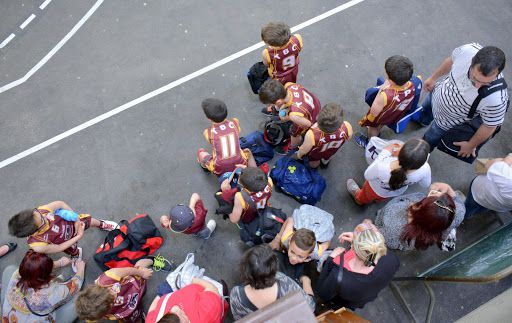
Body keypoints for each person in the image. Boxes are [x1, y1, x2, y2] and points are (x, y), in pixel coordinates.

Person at [418, 43, 508, 157]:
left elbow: (489, 126)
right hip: (435, 94)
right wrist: (433, 78)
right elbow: (451, 61)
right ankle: (422, 121)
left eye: (485, 83)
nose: (477, 86)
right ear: (471, 62)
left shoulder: (497, 99)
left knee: (428, 140)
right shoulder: (467, 51)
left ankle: (421, 155)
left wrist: (471, 145)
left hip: (445, 124)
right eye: (474, 78)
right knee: (425, 110)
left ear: (498, 74)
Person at [315, 220, 399, 309]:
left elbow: (322, 293)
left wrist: (331, 258)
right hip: (360, 299)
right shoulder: (392, 258)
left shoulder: (339, 276)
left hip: (340, 300)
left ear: (353, 248)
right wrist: (358, 243)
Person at [229, 244, 315, 320]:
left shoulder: (236, 295)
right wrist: (306, 281)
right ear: (274, 269)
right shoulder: (285, 283)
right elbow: (310, 306)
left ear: (245, 272)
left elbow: (239, 319)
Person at [375, 182, 464, 251]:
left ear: (419, 215)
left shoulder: (393, 224)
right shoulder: (456, 212)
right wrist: (447, 187)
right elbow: (457, 201)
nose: (433, 193)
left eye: (421, 203)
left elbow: (378, 235)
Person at [8, 200, 118, 256]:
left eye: (35, 212)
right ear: (33, 232)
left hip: (72, 223)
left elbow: (60, 203)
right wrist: (78, 236)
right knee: (72, 250)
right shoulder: (38, 245)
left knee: (90, 221)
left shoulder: (41, 211)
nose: (44, 216)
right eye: (42, 220)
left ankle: (102, 224)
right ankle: (75, 255)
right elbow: (60, 247)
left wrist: (76, 219)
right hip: (65, 241)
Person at [2, 250, 85, 323]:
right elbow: (75, 286)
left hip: (9, 316)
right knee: (79, 302)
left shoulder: (17, 274)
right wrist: (80, 269)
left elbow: (36, 268)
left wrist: (60, 262)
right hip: (34, 319)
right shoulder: (49, 294)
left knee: (9, 269)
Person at [347, 138, 431, 205]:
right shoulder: (425, 168)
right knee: (381, 197)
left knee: (366, 196)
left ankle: (359, 199)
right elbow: (425, 184)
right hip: (394, 192)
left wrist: (385, 152)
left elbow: (367, 175)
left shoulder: (383, 166)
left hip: (374, 189)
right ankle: (377, 201)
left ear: (401, 152)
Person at [354, 55, 416, 147]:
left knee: (373, 127)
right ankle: (378, 131)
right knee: (382, 123)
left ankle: (370, 142)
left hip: (381, 115)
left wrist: (381, 89)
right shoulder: (413, 83)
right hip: (394, 113)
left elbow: (374, 112)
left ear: (390, 78)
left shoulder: (385, 95)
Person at [75, 258, 153, 322]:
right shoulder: (92, 314)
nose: (113, 292)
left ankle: (151, 259)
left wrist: (141, 273)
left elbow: (130, 270)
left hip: (130, 287)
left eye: (110, 292)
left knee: (139, 269)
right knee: (132, 318)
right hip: (122, 309)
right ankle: (137, 316)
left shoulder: (108, 277)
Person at [270, 205, 334, 281]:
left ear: (309, 254)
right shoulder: (286, 238)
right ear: (290, 242)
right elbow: (290, 220)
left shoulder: (317, 252)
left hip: (320, 224)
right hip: (306, 216)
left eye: (300, 256)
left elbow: (328, 241)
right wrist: (277, 239)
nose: (293, 258)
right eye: (292, 252)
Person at [197, 98, 256, 176]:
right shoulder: (235, 122)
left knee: (201, 153)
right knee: (246, 151)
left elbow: (213, 141)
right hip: (241, 162)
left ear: (209, 118)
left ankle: (205, 166)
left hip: (220, 168)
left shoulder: (208, 132)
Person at [259, 79, 321, 149]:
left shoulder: (293, 116)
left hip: (311, 117)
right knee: (280, 108)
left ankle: (292, 146)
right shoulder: (289, 85)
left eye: (271, 104)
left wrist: (287, 117)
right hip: (314, 103)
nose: (270, 105)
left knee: (293, 132)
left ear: (279, 102)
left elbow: (308, 124)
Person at [293, 103, 352, 168]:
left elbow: (304, 150)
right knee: (327, 157)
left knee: (314, 162)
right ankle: (325, 163)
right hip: (331, 150)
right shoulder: (347, 127)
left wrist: (299, 155)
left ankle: (314, 167)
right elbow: (349, 137)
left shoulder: (312, 135)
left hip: (317, 153)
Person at [145, 278, 224, 323]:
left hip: (178, 288)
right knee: (220, 288)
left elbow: (151, 311)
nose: (175, 308)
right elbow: (213, 290)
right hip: (206, 292)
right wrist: (194, 279)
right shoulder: (207, 315)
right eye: (181, 315)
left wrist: (160, 295)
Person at [465, 154, 512, 219]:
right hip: (498, 206)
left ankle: (464, 215)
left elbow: (489, 164)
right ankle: (471, 214)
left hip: (479, 193)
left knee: (469, 206)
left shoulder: (509, 178)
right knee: (483, 208)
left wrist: (509, 157)